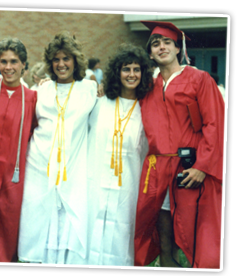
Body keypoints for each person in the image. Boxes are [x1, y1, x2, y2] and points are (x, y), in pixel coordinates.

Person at [134, 21, 224, 268]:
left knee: (197, 231)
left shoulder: (199, 79)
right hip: (158, 168)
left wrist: (202, 166)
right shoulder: (147, 85)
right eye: (155, 43)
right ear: (150, 53)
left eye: (166, 42)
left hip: (190, 167)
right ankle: (167, 262)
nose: (160, 47)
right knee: (162, 225)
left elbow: (214, 125)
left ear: (178, 48)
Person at [18, 31, 97, 264]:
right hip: (39, 163)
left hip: (73, 165)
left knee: (69, 217)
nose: (61, 64)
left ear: (75, 61)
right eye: (56, 59)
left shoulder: (90, 91)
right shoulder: (40, 90)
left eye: (66, 58)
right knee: (38, 216)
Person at [86, 44, 152, 266]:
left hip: (129, 184)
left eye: (136, 69)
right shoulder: (100, 102)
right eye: (126, 69)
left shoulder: (147, 109)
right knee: (94, 230)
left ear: (143, 73)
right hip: (97, 181)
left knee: (123, 231)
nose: (131, 75)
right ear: (117, 72)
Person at [0, 38, 37, 262]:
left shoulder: (33, 99)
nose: (8, 67)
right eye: (3, 62)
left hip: (13, 177)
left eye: (14, 61)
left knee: (7, 231)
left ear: (24, 64)